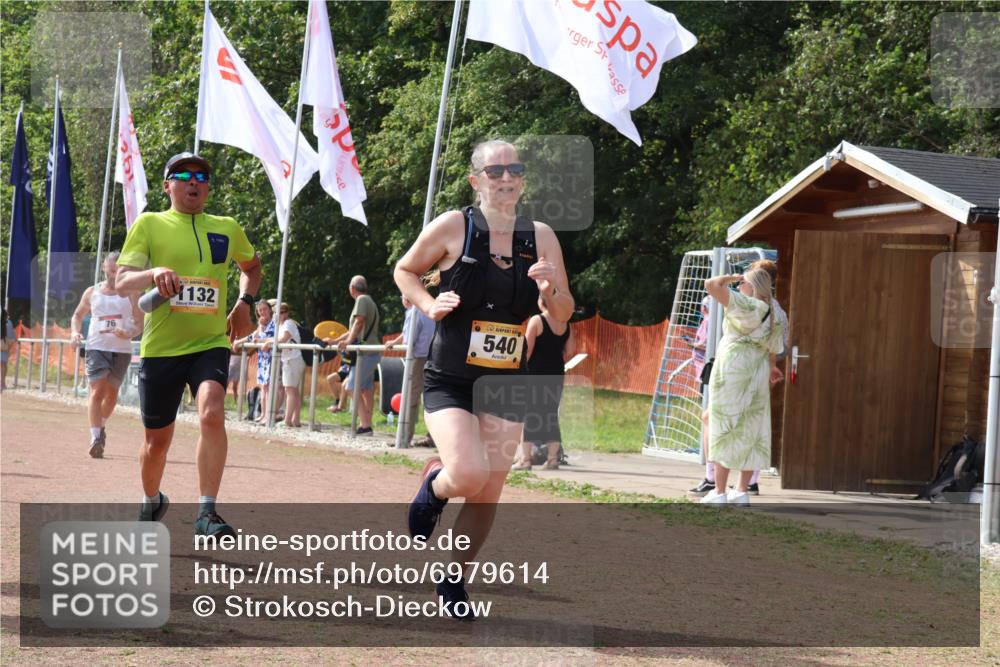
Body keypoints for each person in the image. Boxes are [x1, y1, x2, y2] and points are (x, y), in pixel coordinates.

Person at [394, 139, 573, 618]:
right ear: (476, 181)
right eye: (495, 172)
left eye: (514, 169)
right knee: (468, 474)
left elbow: (562, 313)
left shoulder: (541, 235)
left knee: (489, 488)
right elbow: (405, 270)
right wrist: (431, 305)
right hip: (451, 377)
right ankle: (434, 484)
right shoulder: (455, 226)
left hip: (507, 380)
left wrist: (549, 288)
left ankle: (454, 580)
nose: (507, 178)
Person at [116, 152, 261, 538]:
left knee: (212, 413)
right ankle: (151, 500)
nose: (194, 181)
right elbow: (122, 281)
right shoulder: (150, 224)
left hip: (210, 342)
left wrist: (244, 303)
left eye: (202, 176)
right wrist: (154, 272)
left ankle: (207, 513)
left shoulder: (226, 227)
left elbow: (252, 266)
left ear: (208, 187)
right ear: (168, 185)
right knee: (156, 443)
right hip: (161, 348)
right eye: (183, 175)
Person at [699, 268, 783, 505]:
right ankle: (742, 491)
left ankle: (719, 490)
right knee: (751, 427)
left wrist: (730, 277)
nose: (738, 286)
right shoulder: (772, 313)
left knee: (724, 424)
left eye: (742, 282)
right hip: (757, 372)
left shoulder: (744, 304)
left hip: (732, 370)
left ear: (751, 286)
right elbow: (773, 349)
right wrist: (772, 368)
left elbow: (711, 285)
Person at [69, 252, 143, 458]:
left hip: (121, 350)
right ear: (103, 267)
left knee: (111, 395)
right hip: (96, 347)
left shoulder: (132, 294)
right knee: (97, 391)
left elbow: (138, 323)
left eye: (118, 272)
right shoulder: (92, 292)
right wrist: (75, 333)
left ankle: (100, 428)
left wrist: (128, 333)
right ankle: (94, 437)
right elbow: (77, 315)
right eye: (110, 271)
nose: (113, 275)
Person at [514, 297, 576, 471]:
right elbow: (570, 351)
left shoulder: (537, 320)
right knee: (550, 415)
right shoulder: (566, 323)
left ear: (541, 302)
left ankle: (525, 460)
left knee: (528, 415)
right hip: (556, 374)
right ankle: (552, 459)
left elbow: (527, 350)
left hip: (534, 374)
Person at [329, 275, 380, 435]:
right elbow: (354, 328)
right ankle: (366, 423)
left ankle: (366, 425)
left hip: (365, 352)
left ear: (352, 288)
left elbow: (359, 322)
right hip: (369, 351)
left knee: (350, 387)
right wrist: (336, 341)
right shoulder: (368, 300)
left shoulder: (362, 300)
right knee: (364, 388)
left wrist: (348, 342)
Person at [384, 292, 436, 447]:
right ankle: (432, 437)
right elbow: (408, 333)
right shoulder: (427, 309)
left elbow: (410, 339)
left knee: (410, 399)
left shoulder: (412, 312)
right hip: (432, 357)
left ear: (406, 299)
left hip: (418, 358)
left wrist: (399, 344)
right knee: (430, 399)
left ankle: (404, 438)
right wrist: (395, 341)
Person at [275, 302, 304, 428]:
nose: (279, 315)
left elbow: (282, 339)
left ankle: (287, 421)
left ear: (286, 313)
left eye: (282, 312)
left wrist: (267, 342)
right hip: (290, 359)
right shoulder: (281, 325)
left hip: (293, 359)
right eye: (277, 312)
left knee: (290, 390)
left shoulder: (288, 323)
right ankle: (295, 420)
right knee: (294, 391)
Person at [1, 308, 15, 391]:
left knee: (2, 364)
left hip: (2, 345)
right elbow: (12, 336)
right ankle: (3, 382)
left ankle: (2, 383)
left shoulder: (6, 323)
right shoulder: (9, 322)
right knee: (3, 364)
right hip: (6, 345)